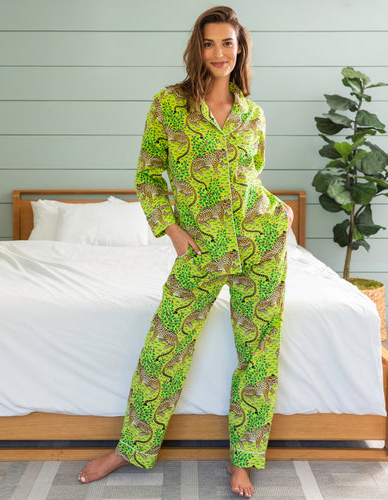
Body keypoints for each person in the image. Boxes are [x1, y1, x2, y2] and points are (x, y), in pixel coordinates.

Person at [78, 5, 293, 498]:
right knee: (165, 346)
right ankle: (130, 448)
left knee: (258, 354)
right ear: (198, 49)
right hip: (198, 249)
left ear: (240, 50)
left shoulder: (252, 114)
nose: (219, 53)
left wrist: (279, 213)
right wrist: (171, 229)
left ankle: (243, 460)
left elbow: (249, 177)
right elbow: (148, 175)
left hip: (260, 243)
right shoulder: (169, 105)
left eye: (227, 43)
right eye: (209, 43)